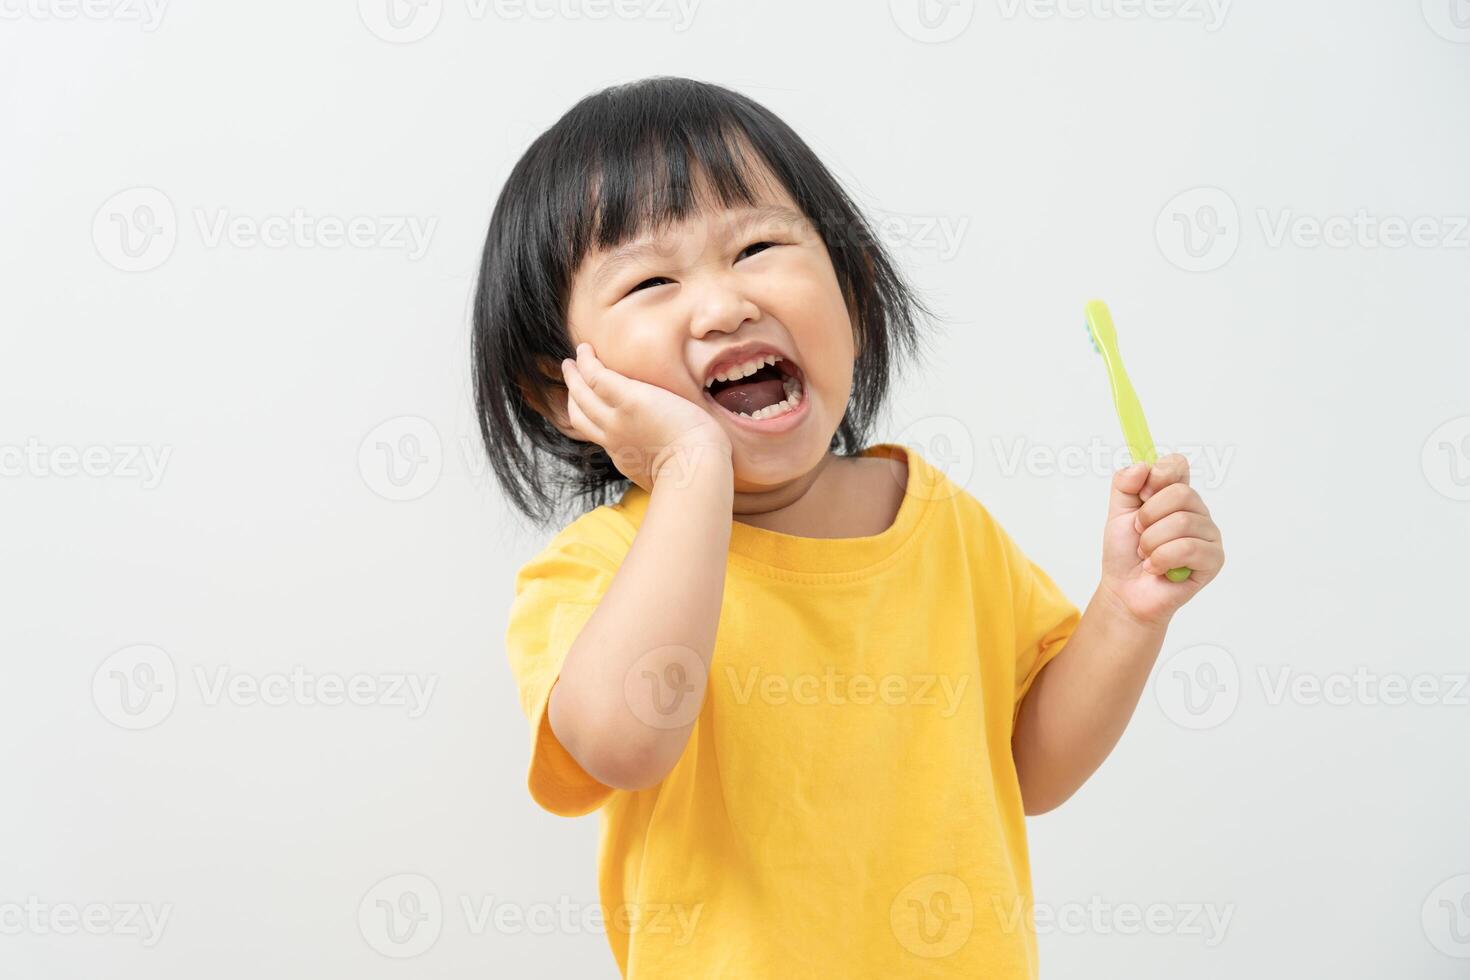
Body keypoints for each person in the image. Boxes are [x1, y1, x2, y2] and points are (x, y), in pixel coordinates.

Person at [471, 75, 1225, 977]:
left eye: (756, 246)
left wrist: (1128, 611)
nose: (723, 305)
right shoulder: (598, 570)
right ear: (565, 392)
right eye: (652, 280)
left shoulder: (942, 525)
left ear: (854, 298)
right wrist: (692, 472)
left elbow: (1030, 770)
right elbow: (626, 745)